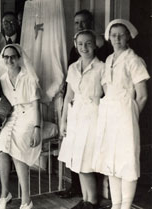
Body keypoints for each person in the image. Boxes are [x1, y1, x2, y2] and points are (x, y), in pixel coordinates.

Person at [92, 19, 149, 209]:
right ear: (109, 38)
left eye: (121, 34)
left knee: (127, 161)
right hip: (108, 114)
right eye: (113, 35)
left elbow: (142, 96)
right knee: (111, 159)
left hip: (125, 114)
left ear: (128, 37)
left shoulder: (133, 60)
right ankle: (115, 205)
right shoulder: (108, 60)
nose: (117, 38)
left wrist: (130, 116)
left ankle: (126, 206)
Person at [58, 30, 104, 209]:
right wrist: (63, 121)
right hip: (75, 116)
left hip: (93, 117)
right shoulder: (73, 68)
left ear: (95, 44)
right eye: (80, 44)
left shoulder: (102, 68)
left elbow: (108, 94)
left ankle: (92, 201)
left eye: (88, 43)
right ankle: (86, 199)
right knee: (77, 161)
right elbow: (69, 96)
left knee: (86, 162)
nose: (84, 47)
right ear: (76, 46)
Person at [0, 44, 41, 209]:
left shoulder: (28, 77)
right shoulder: (2, 79)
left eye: (13, 56)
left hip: (29, 115)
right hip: (12, 116)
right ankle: (4, 194)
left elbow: (36, 106)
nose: (9, 60)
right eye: (6, 57)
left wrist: (37, 128)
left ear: (19, 57)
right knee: (1, 149)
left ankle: (26, 200)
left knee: (17, 148)